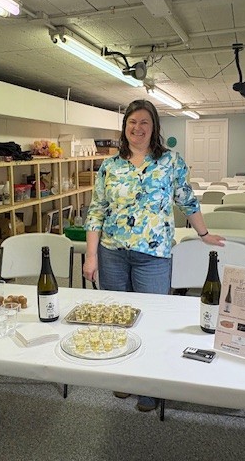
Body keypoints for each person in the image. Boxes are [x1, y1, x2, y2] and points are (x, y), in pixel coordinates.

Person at [83, 99, 225, 412]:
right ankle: (124, 375)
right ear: (125, 127)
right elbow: (96, 210)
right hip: (112, 253)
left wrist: (204, 234)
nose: (137, 128)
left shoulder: (170, 161)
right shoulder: (110, 166)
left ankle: (149, 384)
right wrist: (91, 256)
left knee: (153, 320)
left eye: (144, 122)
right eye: (132, 122)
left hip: (154, 255)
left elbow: (186, 199)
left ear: (154, 127)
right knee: (118, 318)